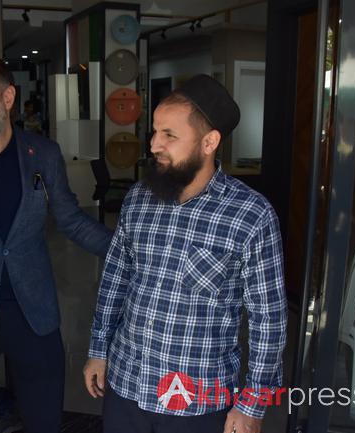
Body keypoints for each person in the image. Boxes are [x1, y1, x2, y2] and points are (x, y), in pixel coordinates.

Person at [83, 74, 288, 433]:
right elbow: (116, 279)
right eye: (155, 132)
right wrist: (99, 349)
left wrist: (253, 404)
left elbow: (268, 320)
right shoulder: (139, 198)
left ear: (209, 142)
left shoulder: (250, 215)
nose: (154, 144)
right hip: (127, 384)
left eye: (169, 135)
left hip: (196, 402)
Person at [0, 56, 113, 433]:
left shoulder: (42, 154)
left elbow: (70, 219)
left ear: (8, 97)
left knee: (44, 418)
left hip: (33, 308)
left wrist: (126, 251)